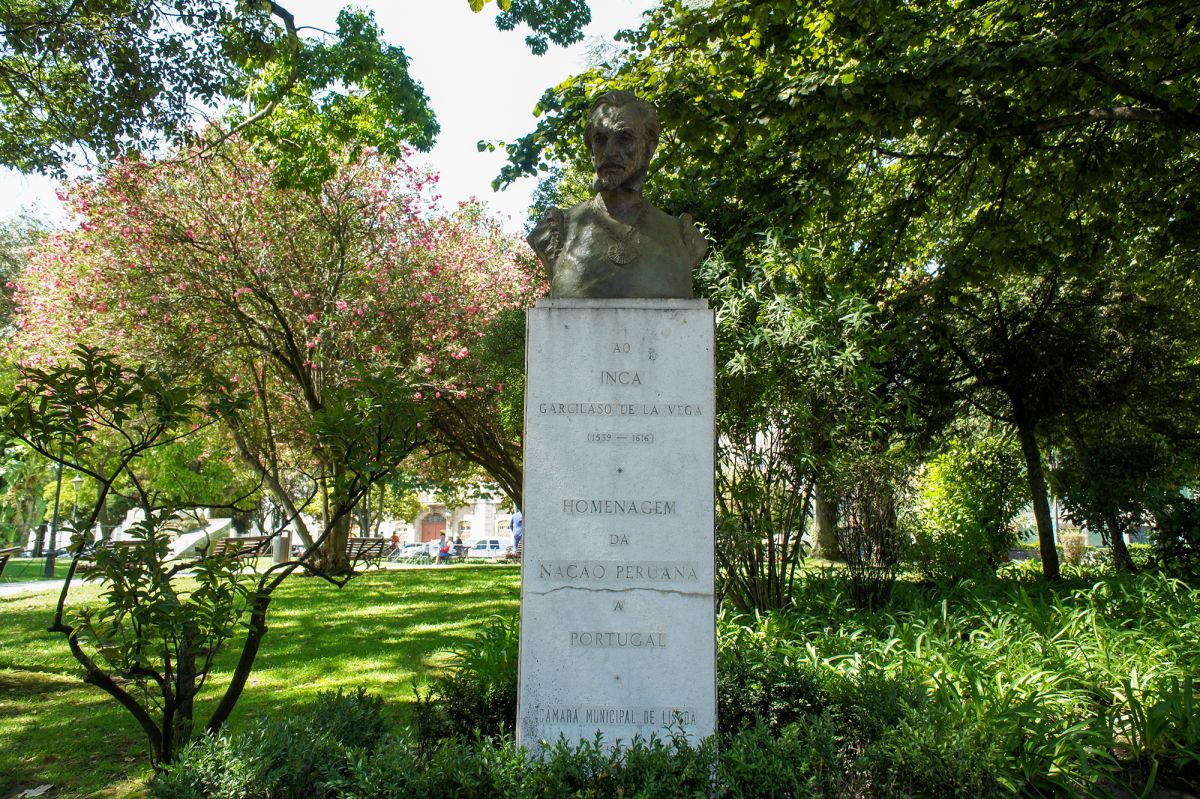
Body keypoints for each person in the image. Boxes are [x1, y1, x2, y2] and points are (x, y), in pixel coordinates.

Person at [527, 91, 707, 299]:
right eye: (600, 139)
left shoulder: (681, 236)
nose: (610, 151)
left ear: (648, 149)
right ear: (592, 150)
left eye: (624, 138)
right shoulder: (557, 230)